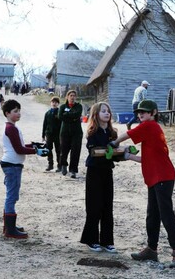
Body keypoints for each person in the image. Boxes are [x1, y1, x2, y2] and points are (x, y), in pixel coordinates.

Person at [109, 99, 175, 268]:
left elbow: (127, 134)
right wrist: (129, 156)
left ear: (153, 113)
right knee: (152, 214)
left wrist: (115, 143)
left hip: (162, 177)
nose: (140, 114)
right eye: (138, 112)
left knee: (166, 214)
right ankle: (151, 250)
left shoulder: (150, 126)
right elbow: (148, 158)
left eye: (144, 111)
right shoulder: (151, 130)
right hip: (156, 177)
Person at [0, 99, 48, 238]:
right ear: (7, 113)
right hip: (12, 165)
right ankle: (10, 230)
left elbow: (19, 145)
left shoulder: (11, 127)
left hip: (11, 164)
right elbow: (19, 149)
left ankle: (9, 226)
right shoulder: (11, 128)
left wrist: (33, 146)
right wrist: (36, 151)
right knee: (12, 196)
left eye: (19, 111)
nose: (18, 113)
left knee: (11, 195)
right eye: (15, 111)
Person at [80, 102, 118, 253]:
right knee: (94, 206)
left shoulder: (112, 133)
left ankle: (107, 241)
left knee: (107, 206)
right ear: (96, 114)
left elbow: (115, 153)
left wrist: (123, 152)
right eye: (103, 111)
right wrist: (109, 151)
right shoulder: (93, 132)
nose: (107, 113)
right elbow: (94, 151)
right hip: (94, 171)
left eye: (108, 111)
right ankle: (91, 239)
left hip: (107, 171)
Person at [58, 90, 83, 178]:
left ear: (76, 97)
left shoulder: (79, 106)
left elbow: (77, 114)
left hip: (77, 133)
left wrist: (67, 115)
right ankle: (63, 165)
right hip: (65, 132)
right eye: (70, 95)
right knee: (63, 151)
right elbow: (61, 116)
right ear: (67, 97)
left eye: (74, 96)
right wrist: (73, 118)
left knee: (75, 152)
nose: (72, 97)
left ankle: (73, 170)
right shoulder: (62, 107)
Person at [42, 96, 62, 172]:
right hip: (49, 134)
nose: (54, 104)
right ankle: (50, 165)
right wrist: (43, 135)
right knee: (48, 149)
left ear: (58, 104)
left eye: (56, 102)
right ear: (50, 103)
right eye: (53, 102)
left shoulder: (60, 112)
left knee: (58, 150)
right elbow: (44, 124)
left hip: (58, 134)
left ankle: (59, 166)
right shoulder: (47, 113)